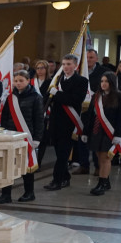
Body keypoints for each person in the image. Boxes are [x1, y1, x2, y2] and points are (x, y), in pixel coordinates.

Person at [0, 70, 43, 203]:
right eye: (16, 81)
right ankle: (6, 194)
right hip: (11, 136)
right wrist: (3, 133)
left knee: (27, 166)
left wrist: (37, 138)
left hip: (27, 136)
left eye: (21, 80)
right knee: (8, 165)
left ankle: (29, 192)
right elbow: (4, 118)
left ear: (28, 81)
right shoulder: (10, 97)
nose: (18, 83)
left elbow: (39, 119)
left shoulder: (36, 97)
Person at [46, 54, 88, 190]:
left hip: (69, 122)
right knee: (59, 153)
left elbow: (75, 99)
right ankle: (66, 177)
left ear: (75, 66)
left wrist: (57, 94)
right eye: (64, 64)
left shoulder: (81, 81)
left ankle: (56, 181)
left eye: (69, 64)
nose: (66, 67)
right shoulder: (57, 80)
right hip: (55, 121)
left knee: (63, 154)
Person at [89, 72, 121, 196]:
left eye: (106, 81)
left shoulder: (120, 97)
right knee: (99, 157)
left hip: (110, 132)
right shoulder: (96, 96)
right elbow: (90, 115)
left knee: (105, 158)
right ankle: (106, 181)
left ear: (112, 83)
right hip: (97, 131)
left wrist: (118, 135)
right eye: (102, 81)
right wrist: (84, 132)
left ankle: (102, 184)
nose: (103, 84)